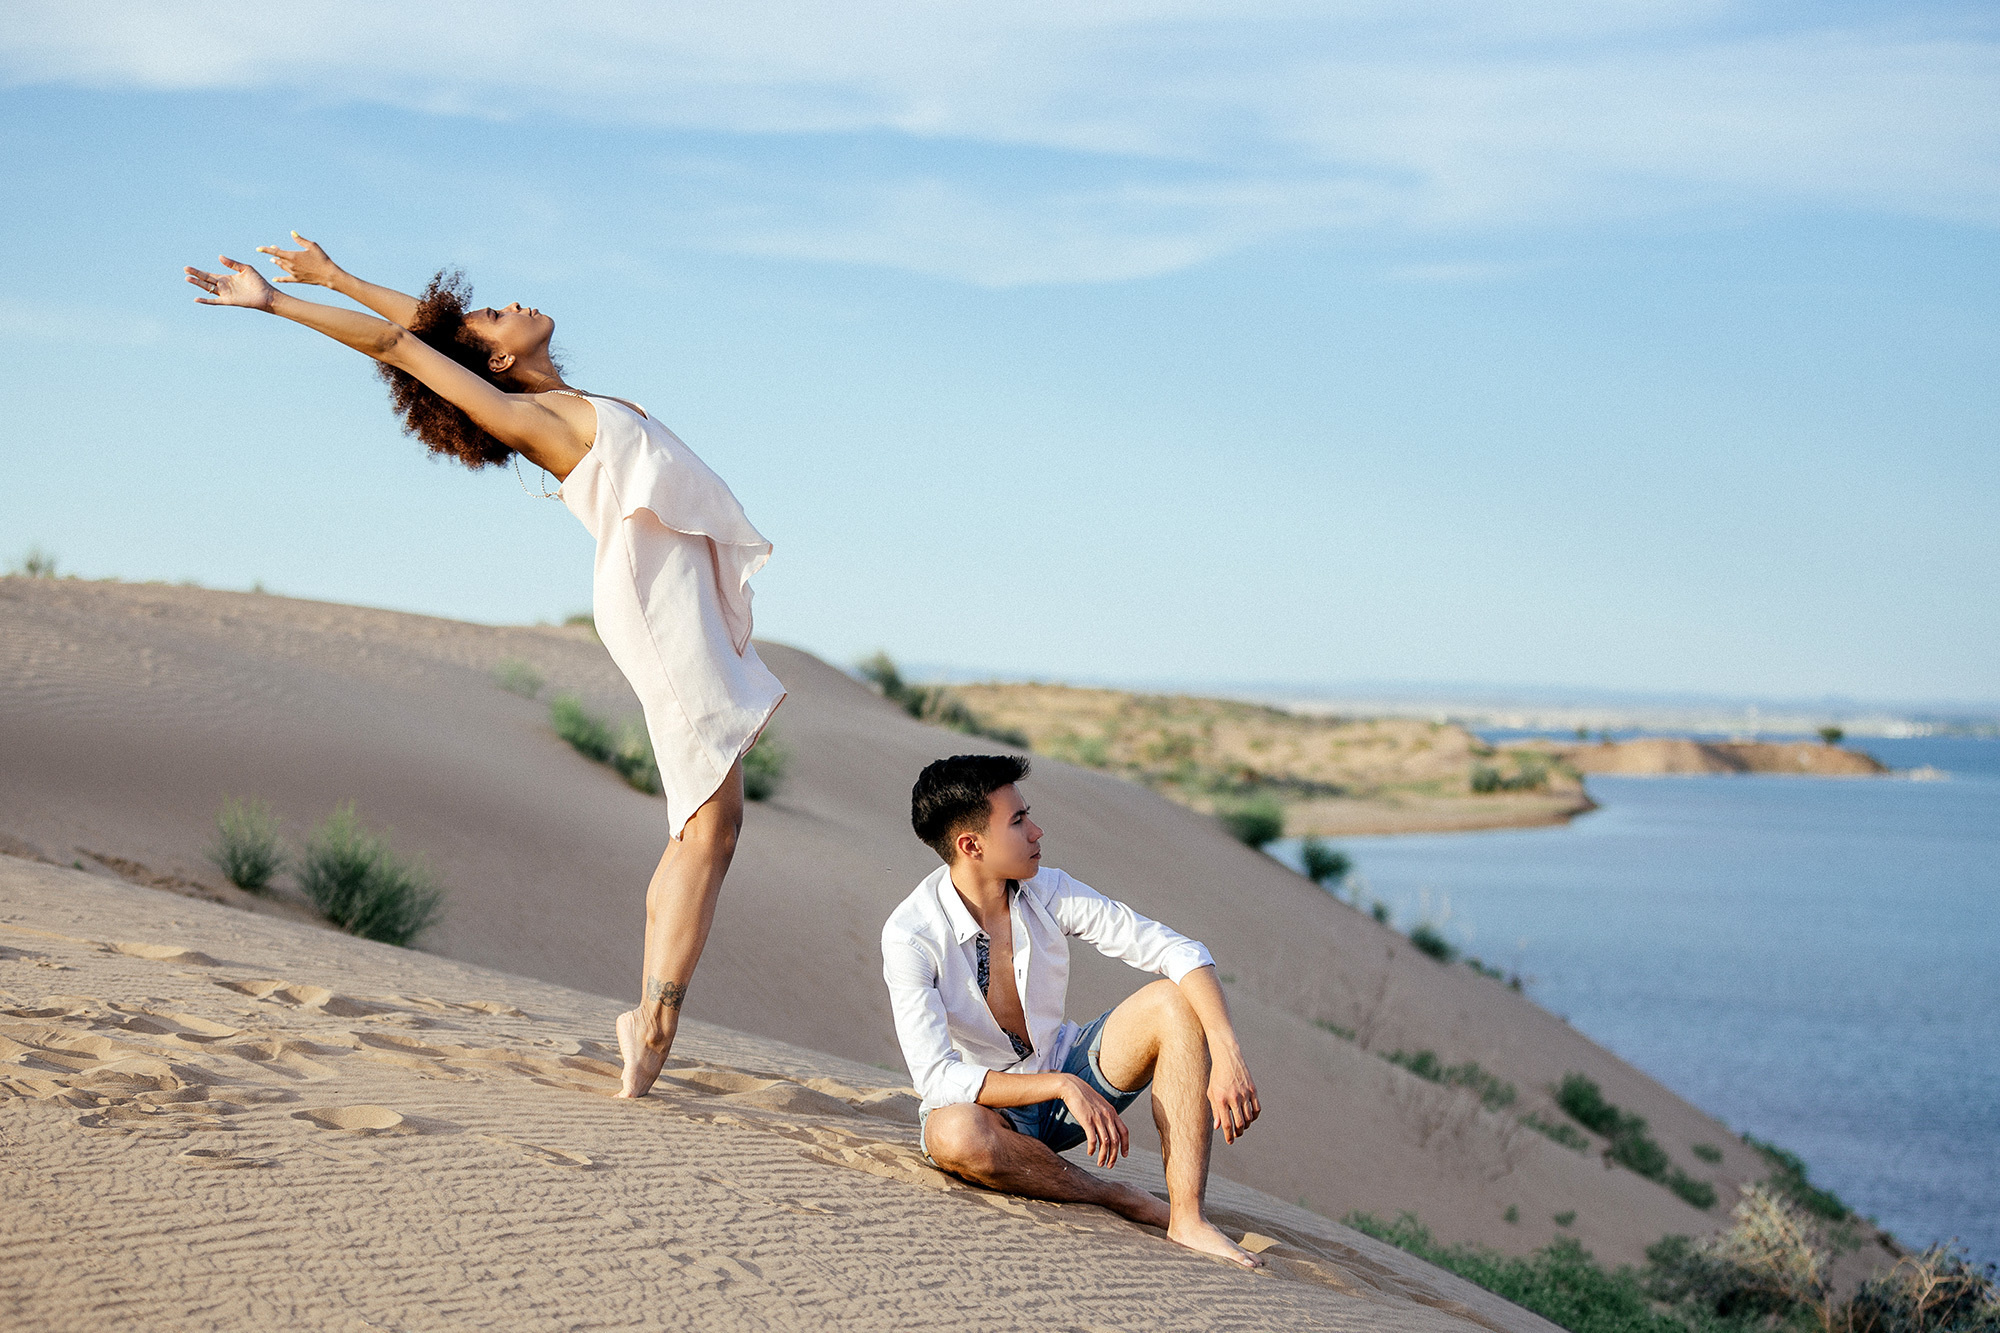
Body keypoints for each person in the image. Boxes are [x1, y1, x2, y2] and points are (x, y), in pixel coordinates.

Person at [185, 235, 784, 1099]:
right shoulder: (534, 420)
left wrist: (339, 275)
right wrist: (276, 303)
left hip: (671, 600)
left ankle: (648, 1017)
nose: (515, 302)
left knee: (705, 823)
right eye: (499, 314)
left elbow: (426, 332)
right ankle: (653, 1023)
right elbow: (403, 347)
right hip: (659, 611)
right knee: (710, 823)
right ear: (499, 358)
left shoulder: (565, 398)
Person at [882, 754, 1265, 1269]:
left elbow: (1179, 951)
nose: (1037, 831)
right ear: (971, 845)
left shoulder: (1050, 890)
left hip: (1068, 1072)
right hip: (996, 1110)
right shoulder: (911, 936)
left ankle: (1188, 1219)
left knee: (1174, 1001)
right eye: (1018, 821)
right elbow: (935, 1077)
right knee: (956, 1135)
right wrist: (1060, 1086)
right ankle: (1115, 1196)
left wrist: (1227, 1052)